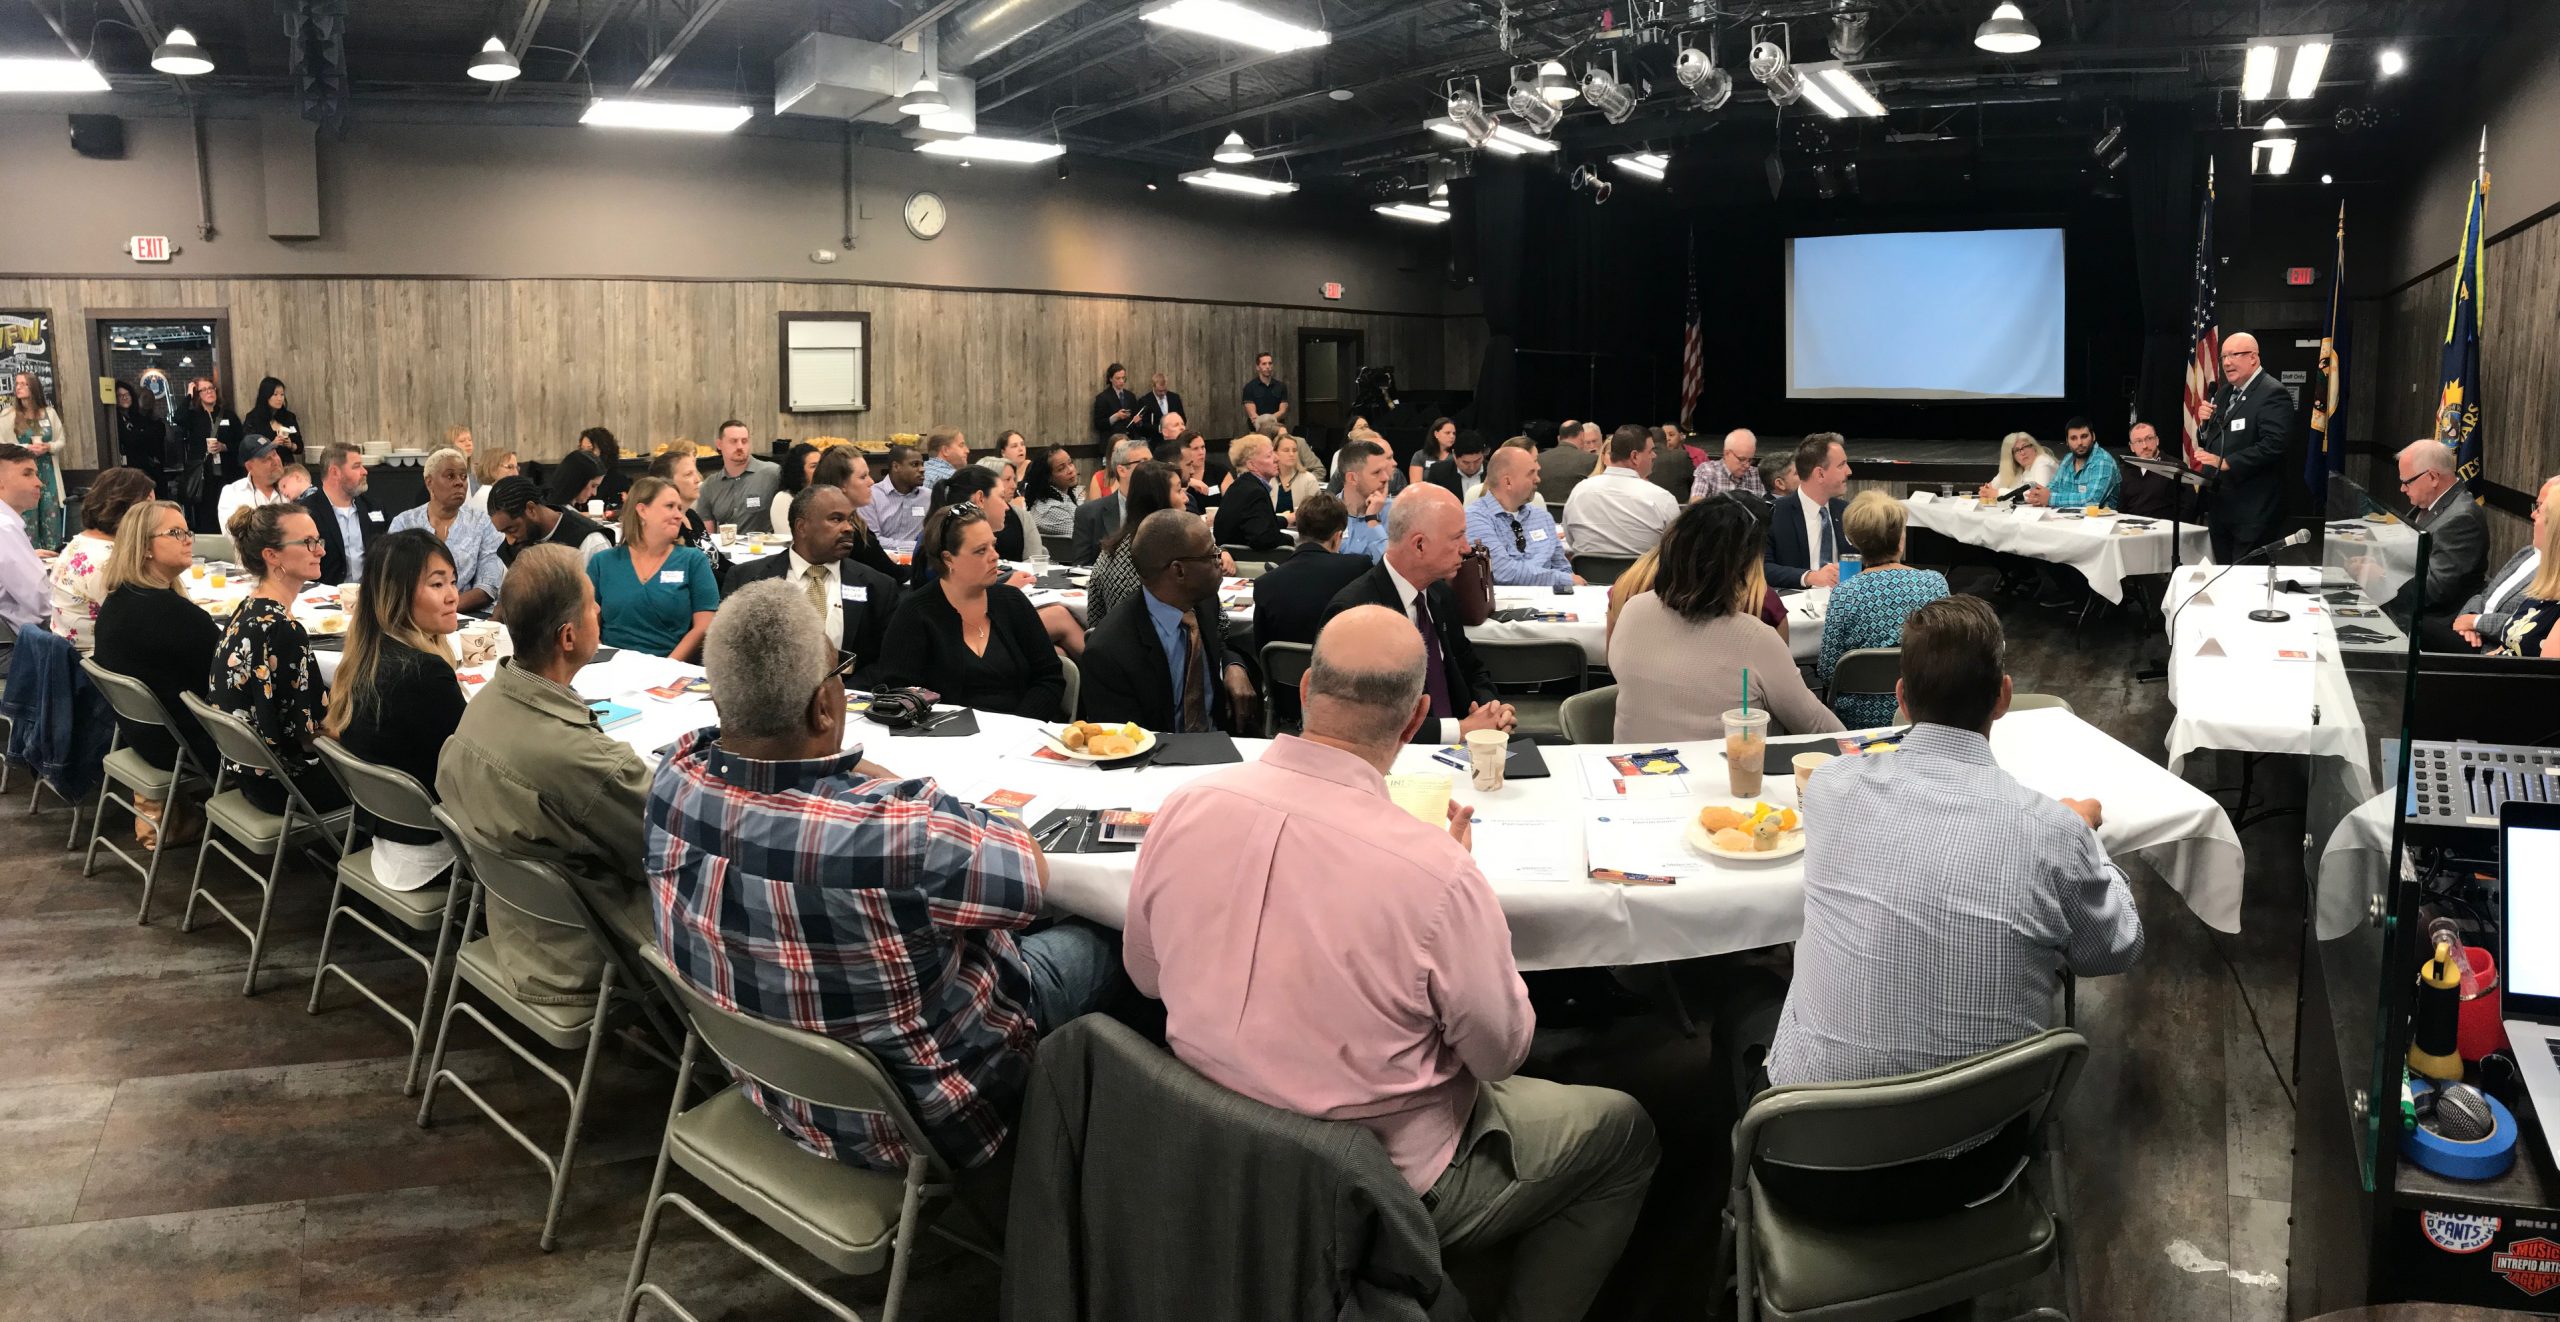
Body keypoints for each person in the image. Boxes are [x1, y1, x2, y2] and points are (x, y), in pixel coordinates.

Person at [1128, 605, 1658, 1321]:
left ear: (1308, 686)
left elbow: (1148, 979)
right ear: (1413, 723)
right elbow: (1501, 1054)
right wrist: (1459, 901)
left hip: (1209, 1152)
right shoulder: (1436, 874)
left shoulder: (1186, 806)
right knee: (1625, 1133)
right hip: (1373, 1183)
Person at [653, 582, 1119, 1172]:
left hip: (771, 1087)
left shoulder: (674, 780)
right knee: (1111, 931)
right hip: (929, 1124)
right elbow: (1028, 865)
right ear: (825, 706)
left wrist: (849, 771)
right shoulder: (907, 835)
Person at [1767, 595, 2141, 1219]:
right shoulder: (2053, 832)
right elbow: (2116, 950)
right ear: (2003, 696)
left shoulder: (1830, 789)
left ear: (1901, 697)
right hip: (1973, 1167)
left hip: (1805, 1163)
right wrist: (2087, 843)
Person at [437, 543, 653, 1007]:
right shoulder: (586, 762)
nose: (601, 609)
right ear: (568, 637)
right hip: (588, 952)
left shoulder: (481, 707)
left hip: (519, 927)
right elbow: (666, 847)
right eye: (593, 601)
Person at [1612, 496, 1841, 742]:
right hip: (1724, 774)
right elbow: (1816, 726)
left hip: (1628, 772)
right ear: (1743, 569)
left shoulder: (1632, 610)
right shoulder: (1755, 637)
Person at [324, 530, 466, 892]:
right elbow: (473, 770)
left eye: (452, 581)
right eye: (437, 584)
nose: (453, 596)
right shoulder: (423, 673)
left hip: (388, 833)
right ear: (397, 595)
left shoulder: (368, 655)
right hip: (434, 845)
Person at [1322, 485, 1514, 744]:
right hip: (1396, 761)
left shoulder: (1440, 595)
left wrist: (1491, 709)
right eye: (1457, 537)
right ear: (1420, 545)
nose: (1466, 548)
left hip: (1465, 745)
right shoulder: (1354, 614)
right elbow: (1359, 721)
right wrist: (1459, 729)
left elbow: (1472, 668)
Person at [207, 503, 349, 815]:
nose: (320, 551)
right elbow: (311, 734)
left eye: (319, 541)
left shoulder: (249, 608)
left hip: (248, 774)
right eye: (308, 543)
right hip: (286, 786)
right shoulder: (283, 630)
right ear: (272, 556)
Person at [873, 504, 1068, 720]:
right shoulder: (915, 614)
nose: (994, 556)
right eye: (980, 551)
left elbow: (1049, 677)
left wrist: (1019, 724)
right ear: (948, 559)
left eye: (993, 545)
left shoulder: (1012, 602)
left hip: (1023, 732)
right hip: (945, 739)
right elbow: (901, 696)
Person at [1078, 511, 1254, 733]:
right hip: (1158, 758)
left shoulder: (1203, 601)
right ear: (1179, 570)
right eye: (1212, 555)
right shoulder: (1109, 652)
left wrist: (1233, 666)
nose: (1220, 561)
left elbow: (1218, 645)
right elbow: (1124, 746)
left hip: (1223, 739)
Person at [92, 499, 222, 798]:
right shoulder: (176, 617)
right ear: (145, 547)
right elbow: (229, 678)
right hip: (193, 748)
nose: (188, 540)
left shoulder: (118, 600)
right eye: (176, 533)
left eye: (188, 532)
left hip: (144, 738)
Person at [725, 484, 901, 674]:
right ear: (802, 527)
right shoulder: (747, 580)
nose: (849, 528)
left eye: (850, 520)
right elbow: (729, 654)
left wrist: (839, 691)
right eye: (836, 519)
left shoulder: (878, 587)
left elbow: (886, 663)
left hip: (846, 696)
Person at [1817, 492, 1951, 728]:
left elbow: (1828, 670)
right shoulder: (1934, 584)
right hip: (1923, 710)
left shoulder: (1845, 594)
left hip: (1859, 721)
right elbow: (1948, 651)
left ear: (1854, 540)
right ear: (1901, 538)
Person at [586, 476, 719, 661]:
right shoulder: (603, 562)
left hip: (671, 669)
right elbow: (588, 624)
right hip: (613, 668)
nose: (679, 515)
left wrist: (667, 666)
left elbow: (704, 626)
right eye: (670, 506)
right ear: (642, 510)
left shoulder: (692, 561)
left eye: (679, 508)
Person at [2194, 331, 2297, 563]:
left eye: (2234, 355)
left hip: (2254, 511)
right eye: (2223, 357)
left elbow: (2274, 444)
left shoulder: (2272, 393)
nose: (2227, 362)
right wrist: (2204, 425)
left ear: (2253, 357)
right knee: (2223, 576)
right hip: (2222, 506)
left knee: (2247, 581)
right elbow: (2212, 441)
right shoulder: (2223, 394)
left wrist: (2229, 462)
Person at [2386, 439, 2488, 650]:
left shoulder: (2461, 518)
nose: (2402, 488)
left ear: (2432, 477)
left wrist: (2383, 581)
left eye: (2407, 482)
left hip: (2434, 622)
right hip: (2411, 604)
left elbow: (2436, 590)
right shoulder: (2429, 505)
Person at [390, 448, 508, 613]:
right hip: (414, 615)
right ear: (429, 482)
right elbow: (394, 580)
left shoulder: (483, 523)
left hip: (469, 615)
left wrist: (443, 610)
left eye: (463, 476)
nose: (459, 482)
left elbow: (487, 587)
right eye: (450, 476)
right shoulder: (404, 523)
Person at [1252, 491, 1370, 656]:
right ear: (1337, 537)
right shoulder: (1357, 567)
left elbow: (1262, 649)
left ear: (1299, 531)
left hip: (1285, 679)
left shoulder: (1265, 583)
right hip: (1342, 674)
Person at [2454, 475, 2560, 651]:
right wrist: (2470, 616)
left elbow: (2517, 629)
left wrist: (2476, 622)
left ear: (2555, 524)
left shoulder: (2551, 578)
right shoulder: (2526, 553)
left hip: (2490, 648)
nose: (2533, 514)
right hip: (2482, 642)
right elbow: (2485, 592)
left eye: (2540, 509)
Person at [1083, 461, 1184, 630]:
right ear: (1160, 500)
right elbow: (1217, 625)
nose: (1186, 498)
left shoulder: (1111, 550)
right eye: (1179, 490)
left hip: (1111, 648)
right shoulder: (1173, 556)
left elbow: (1094, 620)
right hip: (1162, 650)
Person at [1561, 425, 1679, 558]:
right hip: (1643, 578)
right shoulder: (1662, 499)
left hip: (1589, 578)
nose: (1654, 455)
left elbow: (1571, 540)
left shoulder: (1579, 491)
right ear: (1634, 456)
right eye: (1650, 451)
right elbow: (1675, 551)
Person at [1468, 447, 1577, 588]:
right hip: (1506, 605)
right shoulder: (1476, 518)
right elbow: (1502, 572)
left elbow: (1563, 568)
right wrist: (1564, 580)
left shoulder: (1543, 518)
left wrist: (1568, 585)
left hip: (1552, 603)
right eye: (1531, 474)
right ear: (1508, 482)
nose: (1537, 479)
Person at [1766, 433, 1853, 591]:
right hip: (1794, 608)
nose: (1849, 471)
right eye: (1842, 465)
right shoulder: (1774, 513)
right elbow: (1762, 568)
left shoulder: (1847, 512)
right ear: (1820, 474)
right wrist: (1810, 576)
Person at [809, 446, 903, 583]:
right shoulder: (851, 534)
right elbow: (895, 574)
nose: (871, 482)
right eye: (863, 477)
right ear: (842, 486)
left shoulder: (820, 520)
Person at [2483, 501, 2560, 658]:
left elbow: (2546, 677)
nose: (2532, 515)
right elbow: (2505, 645)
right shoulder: (2545, 587)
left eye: (2539, 511)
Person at [299, 443, 383, 587]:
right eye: (356, 466)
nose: (365, 472)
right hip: (323, 597)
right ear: (335, 472)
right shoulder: (305, 513)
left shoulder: (373, 508)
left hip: (369, 596)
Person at [486, 475, 611, 566]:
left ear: (531, 510)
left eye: (512, 529)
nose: (510, 541)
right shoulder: (511, 550)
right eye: (504, 533)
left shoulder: (591, 543)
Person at [174, 376, 243, 531]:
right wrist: (189, 395)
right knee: (206, 514)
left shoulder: (228, 415)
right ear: (198, 394)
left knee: (229, 511)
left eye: (211, 388)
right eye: (203, 390)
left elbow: (241, 442)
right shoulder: (193, 417)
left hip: (227, 472)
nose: (209, 392)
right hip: (204, 475)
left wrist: (224, 447)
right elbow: (177, 418)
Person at [8, 372, 67, 551]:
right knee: (28, 516)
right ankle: (30, 554)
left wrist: (48, 447)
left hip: (47, 470)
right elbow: (3, 444)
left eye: (23, 384)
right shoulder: (9, 415)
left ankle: (53, 554)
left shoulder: (49, 413)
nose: (18, 387)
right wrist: (25, 447)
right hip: (22, 470)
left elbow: (61, 440)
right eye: (17, 384)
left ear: (33, 387)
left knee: (50, 515)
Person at [1068, 438, 1151, 566]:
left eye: (1152, 462)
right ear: (1122, 470)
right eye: (1143, 462)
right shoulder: (1089, 514)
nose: (1152, 468)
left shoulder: (1161, 506)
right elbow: (1081, 567)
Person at [0, 444, 51, 635]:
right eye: (27, 474)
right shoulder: (4, 527)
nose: (39, 482)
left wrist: (29, 556)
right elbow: (43, 603)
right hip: (14, 645)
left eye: (36, 474)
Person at [696, 420, 781, 534]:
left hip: (767, 549)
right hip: (725, 550)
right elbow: (707, 537)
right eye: (733, 441)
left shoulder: (773, 473)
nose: (740, 446)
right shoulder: (709, 486)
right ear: (719, 445)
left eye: (744, 441)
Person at [1213, 434, 1292, 551]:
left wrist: (1287, 519)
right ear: (1251, 465)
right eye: (1269, 455)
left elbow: (1257, 522)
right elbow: (1263, 539)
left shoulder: (1240, 486)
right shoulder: (1255, 492)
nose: (1277, 459)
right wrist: (1291, 540)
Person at [2030, 417, 2121, 511]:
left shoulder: (2103, 461)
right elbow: (2052, 488)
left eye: (2084, 436)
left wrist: (2050, 498)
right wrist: (2038, 496)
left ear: (2093, 436)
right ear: (2067, 441)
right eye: (2073, 438)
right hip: (2069, 519)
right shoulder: (2067, 460)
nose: (2079, 443)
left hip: (2099, 522)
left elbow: (2092, 501)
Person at [214, 435, 294, 530]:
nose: (275, 461)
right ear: (249, 467)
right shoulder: (232, 493)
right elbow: (235, 534)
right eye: (266, 459)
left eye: (274, 454)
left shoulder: (295, 484)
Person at [2115, 421, 2188, 521]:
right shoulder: (2126, 470)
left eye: (2149, 439)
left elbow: (2188, 507)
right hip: (2133, 530)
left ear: (2157, 440)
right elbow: (2121, 509)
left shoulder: (2175, 467)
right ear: (2132, 447)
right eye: (2138, 441)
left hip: (2167, 530)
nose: (2145, 446)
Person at [1337, 439, 1395, 562]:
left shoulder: (1396, 513)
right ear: (1352, 478)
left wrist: (1373, 520)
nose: (1385, 478)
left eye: (1385, 470)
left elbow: (1394, 568)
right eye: (1376, 472)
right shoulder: (1326, 513)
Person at [866, 443, 931, 550]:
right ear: (896, 466)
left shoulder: (929, 497)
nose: (922, 469)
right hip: (881, 561)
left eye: (922, 464)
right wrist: (915, 547)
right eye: (915, 465)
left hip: (918, 561)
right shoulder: (872, 496)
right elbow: (872, 540)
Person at [643, 448, 711, 551]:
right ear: (667, 482)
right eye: (689, 474)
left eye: (696, 472)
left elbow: (719, 561)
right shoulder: (669, 525)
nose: (698, 480)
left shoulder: (691, 516)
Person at [114, 380, 169, 495]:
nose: (124, 397)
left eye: (127, 394)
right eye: (120, 395)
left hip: (147, 468)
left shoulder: (139, 417)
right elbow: (128, 439)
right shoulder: (114, 420)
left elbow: (153, 440)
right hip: (127, 469)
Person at [1688, 428, 1763, 503]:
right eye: (1742, 459)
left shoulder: (1756, 475)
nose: (1747, 465)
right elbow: (1696, 506)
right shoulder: (1708, 471)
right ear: (1726, 454)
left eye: (1750, 460)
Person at [1976, 432, 2057, 502]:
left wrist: (1998, 493)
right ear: (2011, 456)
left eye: (2025, 447)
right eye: (2017, 450)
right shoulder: (2018, 466)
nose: (2022, 453)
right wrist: (1986, 490)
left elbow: (2038, 494)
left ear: (2034, 447)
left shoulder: (2043, 462)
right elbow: (1991, 486)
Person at [1024, 445, 1081, 542]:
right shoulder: (1051, 510)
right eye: (1061, 468)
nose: (1070, 470)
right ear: (1048, 477)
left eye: (1070, 463)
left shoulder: (1064, 496)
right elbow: (1084, 539)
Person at [241, 376, 304, 464]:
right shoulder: (253, 418)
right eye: (275, 394)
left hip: (287, 466)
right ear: (265, 396)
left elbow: (300, 447)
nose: (280, 398)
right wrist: (272, 445)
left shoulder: (289, 417)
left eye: (282, 395)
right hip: (265, 466)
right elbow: (248, 448)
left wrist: (291, 445)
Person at [1537, 421, 1600, 507]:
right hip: (1575, 517)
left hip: (1543, 517)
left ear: (1559, 438)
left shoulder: (1538, 459)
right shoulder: (1591, 460)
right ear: (1582, 435)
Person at [768, 441, 820, 536]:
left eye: (821, 465)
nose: (820, 470)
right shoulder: (783, 498)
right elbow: (789, 538)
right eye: (814, 466)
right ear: (799, 471)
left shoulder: (826, 496)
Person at [1424, 431, 1489, 502]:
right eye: (1466, 462)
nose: (1472, 467)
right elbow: (1431, 502)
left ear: (1483, 455)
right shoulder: (1438, 472)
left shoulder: (1494, 472)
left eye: (1477, 461)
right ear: (1454, 456)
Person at [576, 427, 630, 509]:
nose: (584, 455)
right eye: (582, 450)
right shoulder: (576, 477)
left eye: (590, 450)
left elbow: (621, 511)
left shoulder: (618, 479)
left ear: (605, 451)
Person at [544, 448, 606, 515]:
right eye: (593, 486)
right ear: (578, 480)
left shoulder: (548, 508)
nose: (594, 493)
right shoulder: (562, 515)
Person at [1645, 425, 1696, 504]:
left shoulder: (1638, 459)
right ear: (1665, 441)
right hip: (1680, 511)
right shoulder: (1681, 456)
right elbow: (1695, 484)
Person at [1091, 363, 1140, 443]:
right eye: (1118, 378)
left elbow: (1135, 416)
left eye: (1123, 378)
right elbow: (1098, 424)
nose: (1121, 381)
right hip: (1111, 442)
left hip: (1130, 440)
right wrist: (1115, 417)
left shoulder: (1130, 396)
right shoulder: (1102, 398)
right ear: (1110, 379)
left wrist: (1138, 421)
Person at [1407, 416, 1457, 491]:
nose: (1452, 436)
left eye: (1454, 433)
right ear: (1436, 434)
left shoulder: (1457, 457)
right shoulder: (1420, 455)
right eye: (1447, 433)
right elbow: (1415, 486)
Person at [1240, 350, 1289, 427]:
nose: (1267, 366)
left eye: (1270, 363)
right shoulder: (1249, 387)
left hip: (1277, 427)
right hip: (1257, 428)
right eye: (1264, 364)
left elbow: (1283, 411)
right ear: (1257, 367)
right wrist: (1267, 421)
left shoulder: (1281, 386)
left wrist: (1267, 420)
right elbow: (1252, 414)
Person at [467, 444, 518, 516]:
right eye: (510, 467)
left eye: (517, 468)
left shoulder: (498, 493)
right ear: (492, 469)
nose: (516, 473)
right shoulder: (486, 496)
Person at [1134, 371, 1186, 439]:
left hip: (1175, 438)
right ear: (1153, 386)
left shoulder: (1174, 398)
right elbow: (1143, 424)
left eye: (1165, 390)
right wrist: (1160, 428)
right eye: (1160, 391)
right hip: (1155, 439)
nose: (1163, 393)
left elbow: (1183, 418)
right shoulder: (1145, 401)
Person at [920, 425, 969, 492]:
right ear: (945, 450)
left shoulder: (918, 473)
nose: (967, 450)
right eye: (961, 445)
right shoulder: (957, 479)